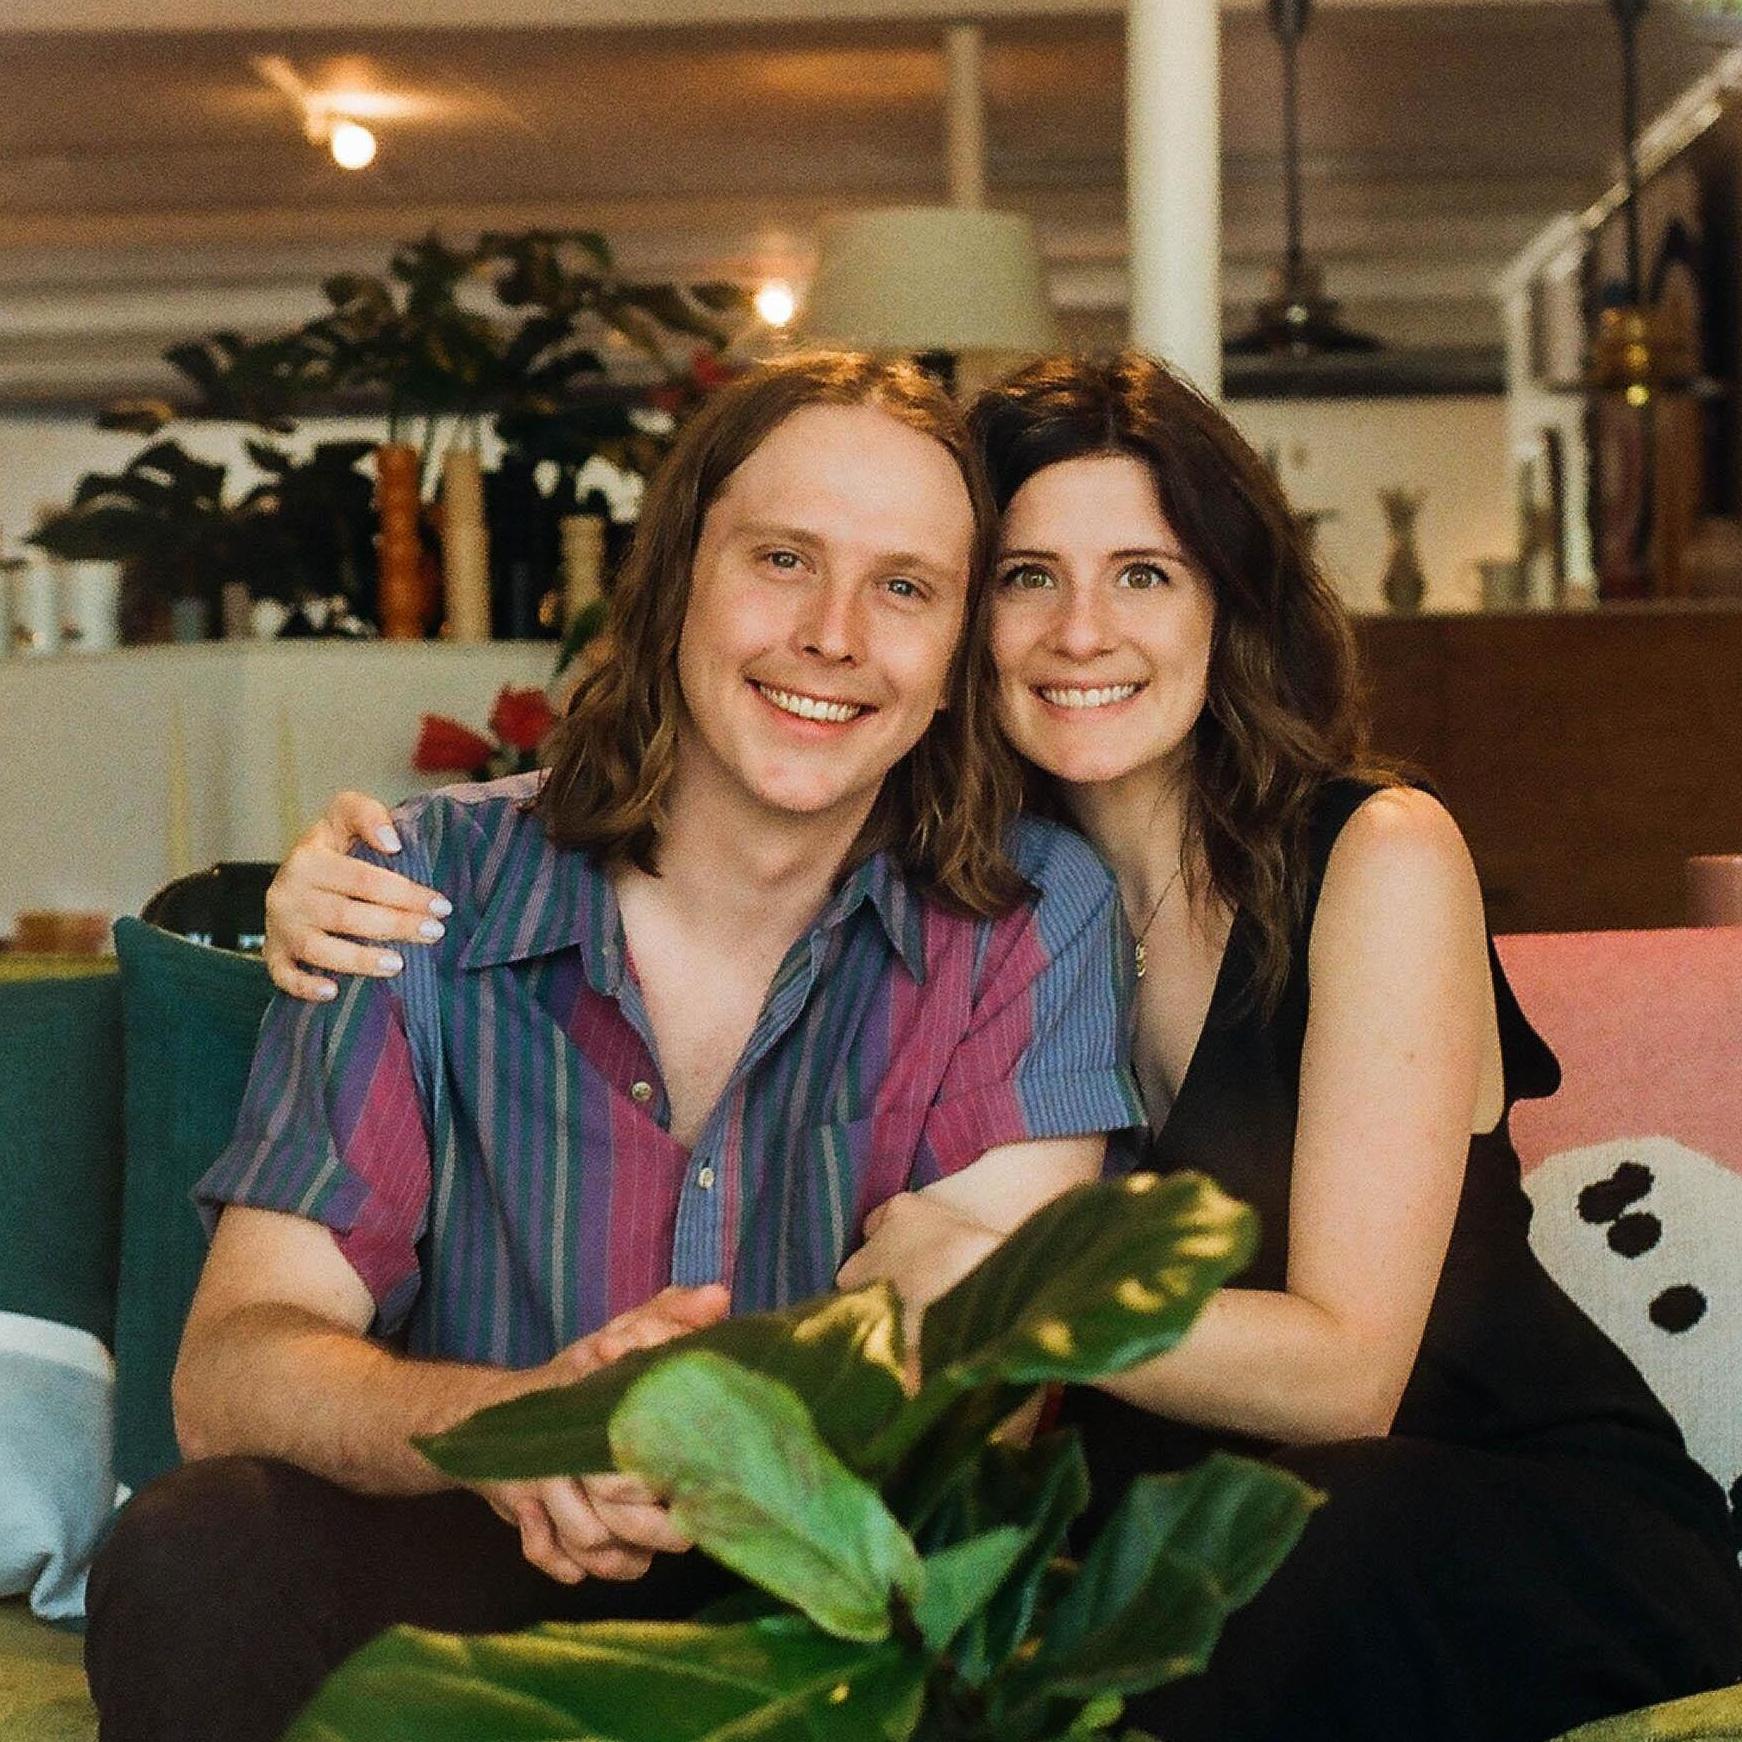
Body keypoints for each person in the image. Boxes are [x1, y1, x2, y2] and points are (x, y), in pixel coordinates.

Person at [272, 350, 1742, 1742]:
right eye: (1029, 577)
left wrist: (1001, 1280)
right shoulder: (983, 888)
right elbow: (684, 810)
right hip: (1174, 1528)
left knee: (1229, 1568)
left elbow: (1346, 1379)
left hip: (1481, 1501)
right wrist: (323, 877)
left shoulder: (1376, 853)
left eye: (1144, 574)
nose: (1079, 631)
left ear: (1229, 606)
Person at [83, 353, 1146, 1742]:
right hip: (478, 1554)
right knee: (196, 1549)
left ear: (954, 660)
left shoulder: (1026, 913)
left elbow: (986, 1404)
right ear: (674, 581)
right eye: (782, 558)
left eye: (904, 587)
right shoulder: (412, 889)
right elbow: (232, 1370)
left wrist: (688, 1434)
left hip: (818, 1591)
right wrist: (522, 1424)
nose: (831, 634)